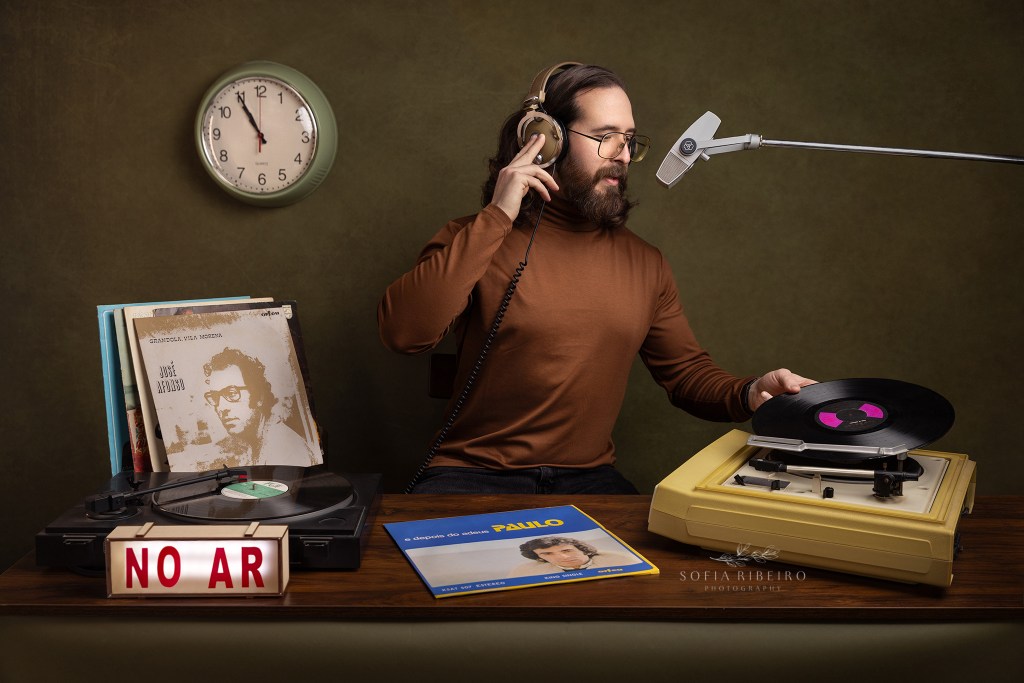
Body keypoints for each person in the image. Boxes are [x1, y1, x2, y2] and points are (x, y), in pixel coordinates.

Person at [378, 63, 813, 494]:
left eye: (628, 141)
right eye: (606, 138)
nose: (623, 156)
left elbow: (686, 374)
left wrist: (752, 391)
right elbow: (405, 333)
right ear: (546, 140)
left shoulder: (645, 263)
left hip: (588, 480)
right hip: (472, 474)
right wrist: (498, 216)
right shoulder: (471, 238)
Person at [199, 347, 318, 468]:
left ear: (259, 397)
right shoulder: (258, 445)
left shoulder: (283, 450)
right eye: (214, 397)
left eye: (231, 393)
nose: (221, 408)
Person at [509, 537, 638, 577]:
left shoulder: (623, 560)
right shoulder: (524, 572)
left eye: (567, 550)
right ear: (540, 558)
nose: (563, 557)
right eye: (547, 554)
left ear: (583, 550)